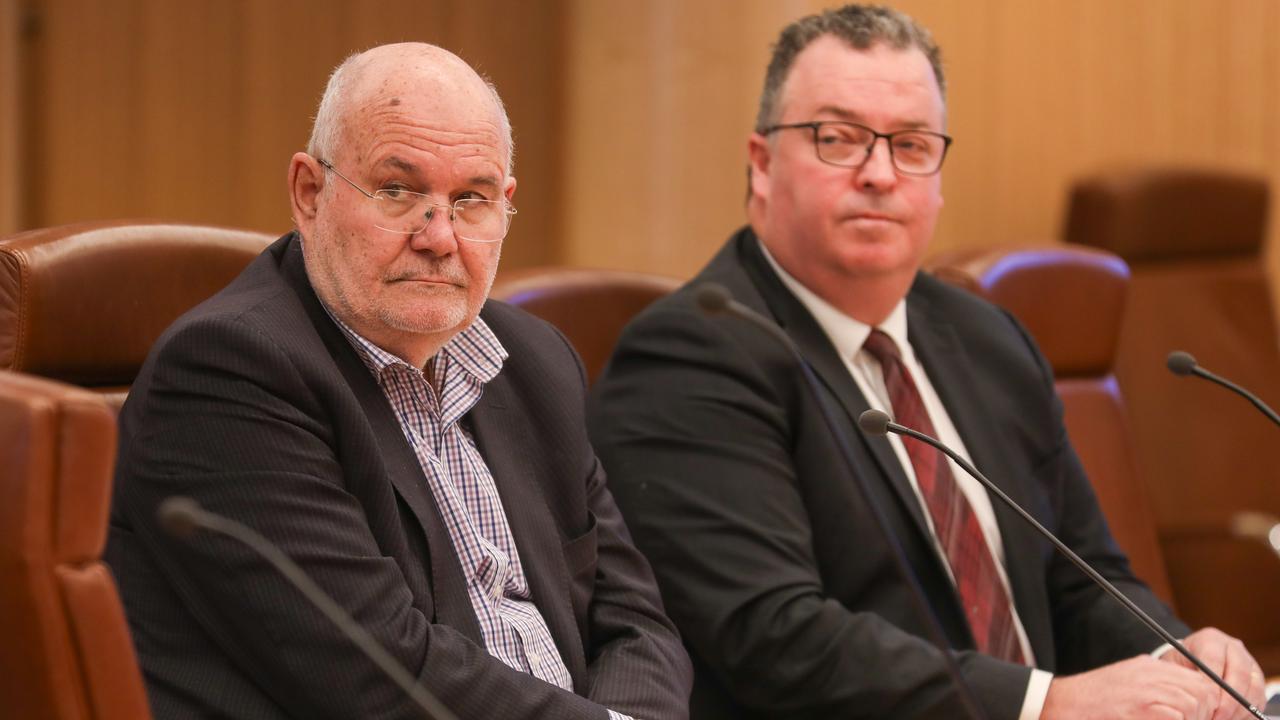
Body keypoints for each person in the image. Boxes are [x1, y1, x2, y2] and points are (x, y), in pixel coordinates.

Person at [588, 6, 1265, 720]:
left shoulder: (987, 338)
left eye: (911, 145)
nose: (880, 173)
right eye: (839, 139)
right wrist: (1045, 705)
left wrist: (1177, 658)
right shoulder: (693, 357)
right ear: (761, 163)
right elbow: (777, 640)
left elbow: (1083, 575)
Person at [105, 43, 691, 720]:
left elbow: (638, 623)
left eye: (470, 199)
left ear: (505, 208)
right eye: (397, 190)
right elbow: (380, 673)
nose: (439, 237)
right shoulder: (229, 372)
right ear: (309, 193)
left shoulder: (533, 359)